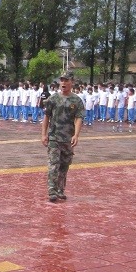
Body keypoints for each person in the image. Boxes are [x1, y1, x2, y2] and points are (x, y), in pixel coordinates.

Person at [41, 71, 84, 203]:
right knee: (54, 164)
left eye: (66, 80)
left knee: (64, 165)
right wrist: (44, 134)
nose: (63, 83)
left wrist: (76, 135)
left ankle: (60, 190)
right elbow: (47, 117)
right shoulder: (53, 99)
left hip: (67, 138)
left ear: (72, 82)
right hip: (54, 137)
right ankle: (52, 191)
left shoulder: (76, 100)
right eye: (62, 80)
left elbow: (79, 118)